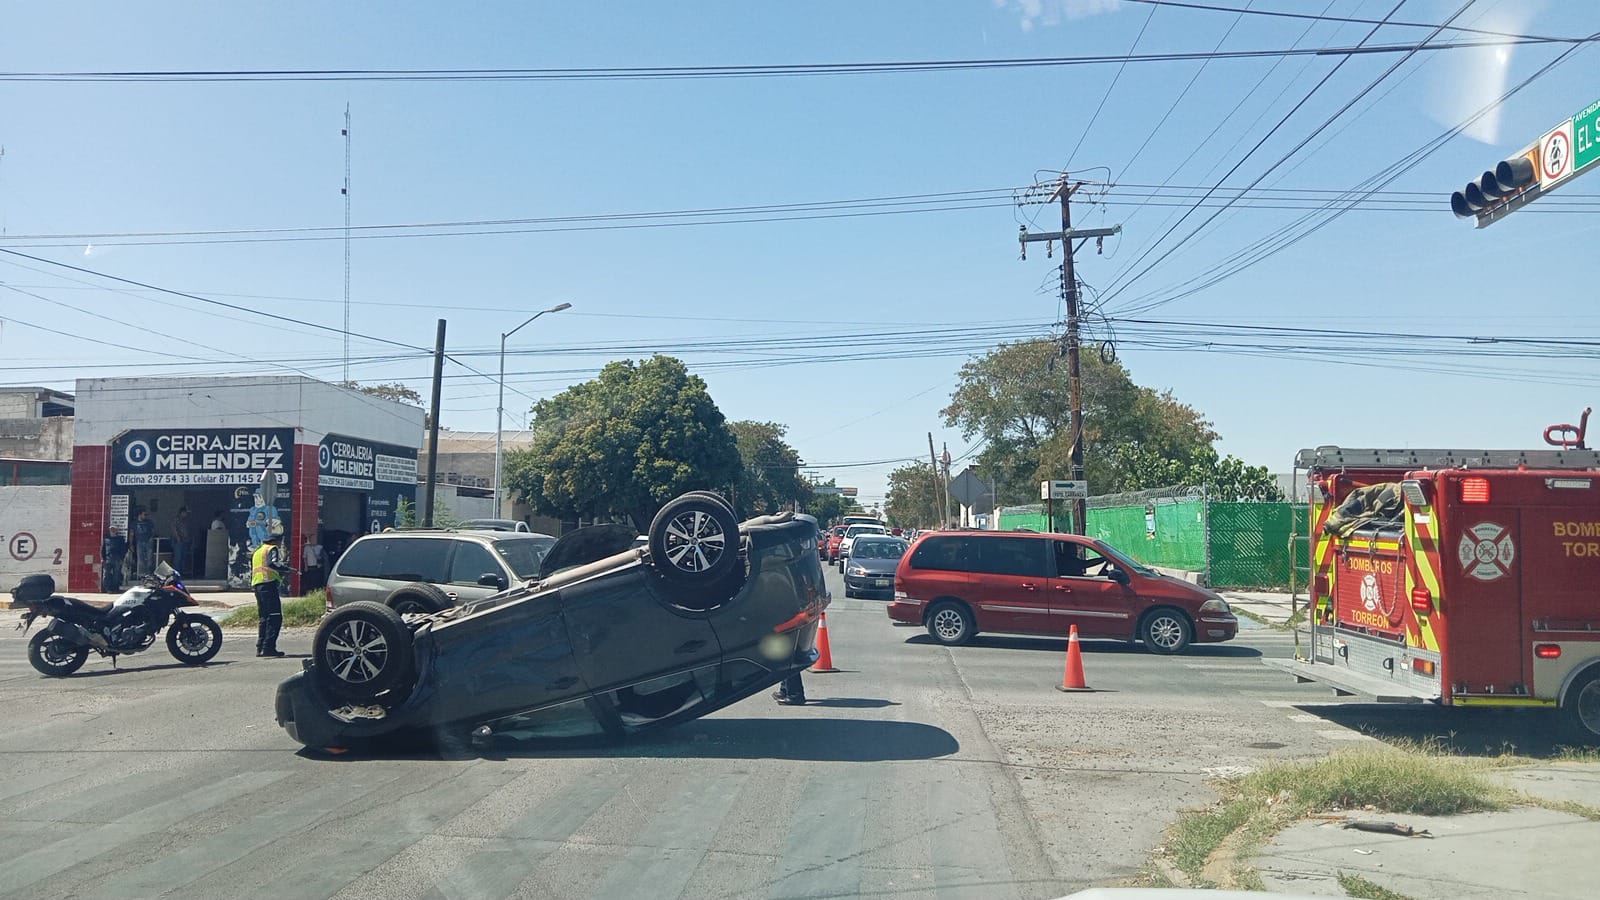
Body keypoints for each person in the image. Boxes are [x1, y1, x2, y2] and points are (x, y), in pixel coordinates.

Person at [251, 532, 293, 658]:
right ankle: (268, 648)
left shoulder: (258, 550)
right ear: (276, 541)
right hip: (268, 585)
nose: (281, 544)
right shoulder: (272, 549)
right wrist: (287, 570)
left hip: (258, 585)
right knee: (275, 617)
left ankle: (260, 647)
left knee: (264, 617)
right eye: (280, 542)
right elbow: (272, 564)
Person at [100, 527, 128, 593]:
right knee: (106, 574)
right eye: (111, 529)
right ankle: (107, 588)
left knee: (116, 574)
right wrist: (102, 558)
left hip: (117, 559)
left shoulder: (120, 539)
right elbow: (103, 549)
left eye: (114, 529)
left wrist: (122, 558)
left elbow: (123, 549)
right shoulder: (106, 538)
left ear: (116, 530)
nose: (112, 530)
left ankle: (115, 588)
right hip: (108, 559)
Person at [131, 510, 155, 577]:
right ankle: (142, 574)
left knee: (149, 558)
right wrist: (131, 544)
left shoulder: (149, 522)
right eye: (144, 514)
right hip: (139, 542)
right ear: (140, 515)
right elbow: (131, 534)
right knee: (140, 558)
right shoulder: (134, 523)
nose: (145, 516)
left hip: (148, 542)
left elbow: (153, 531)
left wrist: (151, 538)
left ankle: (149, 573)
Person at [171, 507, 191, 575]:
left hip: (185, 541)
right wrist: (178, 537)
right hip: (178, 541)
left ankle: (181, 572)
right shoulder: (176, 520)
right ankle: (176, 573)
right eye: (185, 513)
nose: (186, 515)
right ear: (182, 512)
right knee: (178, 557)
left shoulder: (185, 521)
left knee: (183, 557)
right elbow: (174, 529)